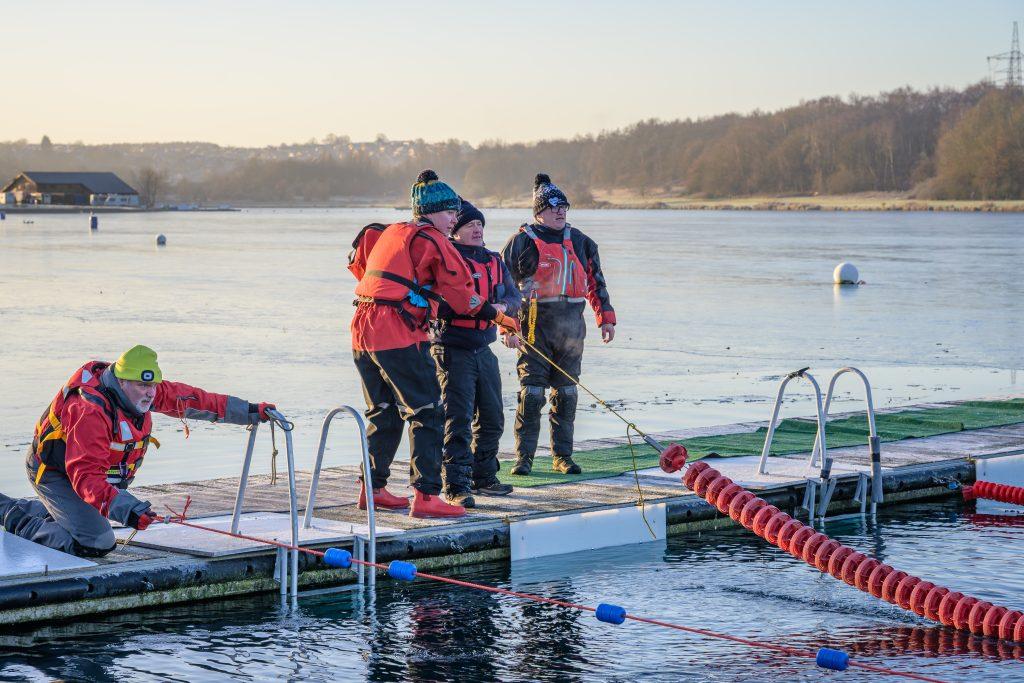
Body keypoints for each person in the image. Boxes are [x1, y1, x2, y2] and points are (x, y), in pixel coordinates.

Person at [349, 170, 519, 518]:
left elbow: (360, 266)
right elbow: (463, 299)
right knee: (427, 410)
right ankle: (426, 496)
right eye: (450, 213)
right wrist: (498, 316)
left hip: (361, 328)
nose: (456, 219)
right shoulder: (435, 241)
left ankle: (374, 488)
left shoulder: (391, 232)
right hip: (396, 330)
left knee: (383, 410)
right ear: (431, 212)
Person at [0, 345, 275, 558]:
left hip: (99, 476)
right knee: (97, 542)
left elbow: (200, 401)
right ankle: (13, 515)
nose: (150, 394)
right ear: (121, 382)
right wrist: (127, 510)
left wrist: (251, 412)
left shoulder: (146, 390)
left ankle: (58, 513)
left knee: (92, 522)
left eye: (154, 385)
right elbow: (84, 477)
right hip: (56, 472)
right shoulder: (90, 412)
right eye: (143, 386)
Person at [501, 173, 616, 476]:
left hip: (571, 326)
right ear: (538, 212)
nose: (560, 211)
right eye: (553, 207)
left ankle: (562, 456)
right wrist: (507, 328)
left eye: (564, 207)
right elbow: (502, 290)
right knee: (532, 393)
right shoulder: (520, 243)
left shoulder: (581, 242)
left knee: (566, 393)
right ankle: (523, 458)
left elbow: (596, 283)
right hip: (534, 324)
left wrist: (605, 318)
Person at [430, 199, 521, 508]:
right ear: (454, 232)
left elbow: (514, 295)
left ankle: (484, 476)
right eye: (469, 225)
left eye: (480, 224)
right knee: (458, 419)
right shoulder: (445, 259)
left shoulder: (494, 260)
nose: (477, 229)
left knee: (493, 415)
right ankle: (455, 484)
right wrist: (476, 308)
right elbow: (439, 302)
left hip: (484, 347)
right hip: (452, 347)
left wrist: (501, 308)